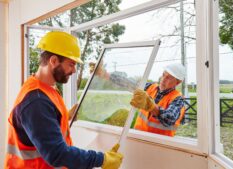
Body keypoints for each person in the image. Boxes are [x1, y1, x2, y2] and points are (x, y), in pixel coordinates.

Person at [5, 31, 123, 169]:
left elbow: (42, 124)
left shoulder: (46, 88)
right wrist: (102, 159)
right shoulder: (36, 101)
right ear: (53, 61)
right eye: (71, 64)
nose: (74, 71)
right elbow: (57, 154)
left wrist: (65, 115)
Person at [130, 63, 186, 137]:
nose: (163, 80)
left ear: (178, 82)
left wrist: (151, 106)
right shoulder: (150, 87)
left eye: (168, 78)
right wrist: (110, 76)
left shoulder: (178, 99)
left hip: (159, 143)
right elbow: (131, 84)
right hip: (138, 136)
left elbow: (170, 119)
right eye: (163, 75)